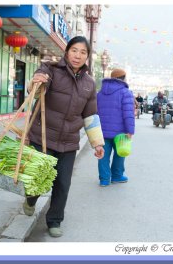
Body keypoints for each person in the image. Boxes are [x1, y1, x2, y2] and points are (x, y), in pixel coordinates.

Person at [23, 36, 105, 238]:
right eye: (74, 50)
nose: (78, 55)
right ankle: (30, 199)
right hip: (42, 135)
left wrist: (97, 143)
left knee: (63, 183)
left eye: (83, 52)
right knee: (38, 179)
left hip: (68, 141)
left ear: (87, 57)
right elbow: (36, 88)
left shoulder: (88, 83)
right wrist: (35, 81)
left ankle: (54, 220)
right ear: (67, 51)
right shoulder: (50, 70)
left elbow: (90, 115)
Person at [97, 68, 135, 186]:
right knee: (120, 154)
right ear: (123, 78)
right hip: (120, 132)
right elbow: (128, 113)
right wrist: (130, 130)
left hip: (102, 131)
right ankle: (117, 176)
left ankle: (104, 179)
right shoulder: (125, 92)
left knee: (103, 155)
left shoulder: (100, 93)